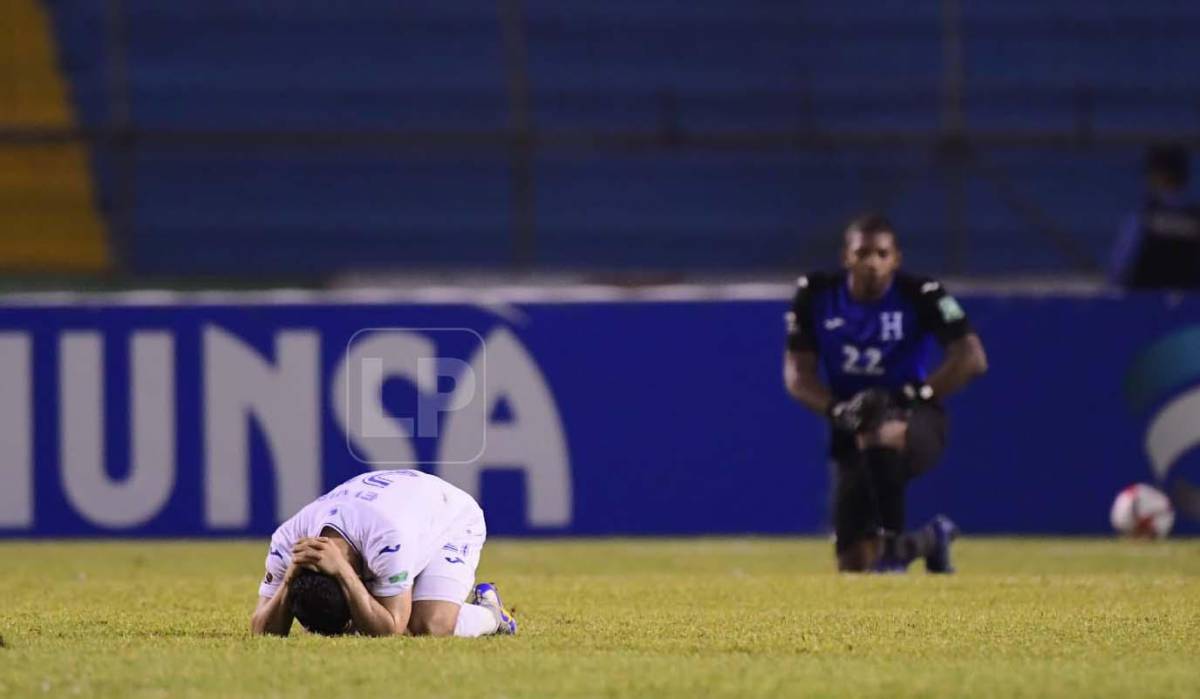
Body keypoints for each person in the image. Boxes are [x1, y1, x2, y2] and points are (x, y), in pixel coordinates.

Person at [783, 213, 988, 573]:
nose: (872, 263)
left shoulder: (920, 294)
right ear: (846, 257)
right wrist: (836, 410)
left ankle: (893, 550)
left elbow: (972, 358)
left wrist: (917, 394)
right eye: (863, 254)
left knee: (884, 425)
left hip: (916, 415)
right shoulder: (817, 295)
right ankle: (927, 540)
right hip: (851, 419)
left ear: (896, 259)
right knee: (853, 561)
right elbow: (797, 375)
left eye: (881, 254)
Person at [249, 469, 517, 637]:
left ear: (357, 575)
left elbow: (392, 628)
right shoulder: (287, 541)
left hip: (449, 514)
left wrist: (344, 575)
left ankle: (491, 614)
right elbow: (262, 629)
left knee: (428, 627)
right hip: (391, 507)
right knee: (373, 616)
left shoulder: (388, 538)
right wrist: (289, 580)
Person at [1110, 144, 1200, 289]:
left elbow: (1119, 269)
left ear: (1158, 175)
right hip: (1189, 307)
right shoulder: (1195, 219)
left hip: (1145, 305)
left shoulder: (1143, 217)